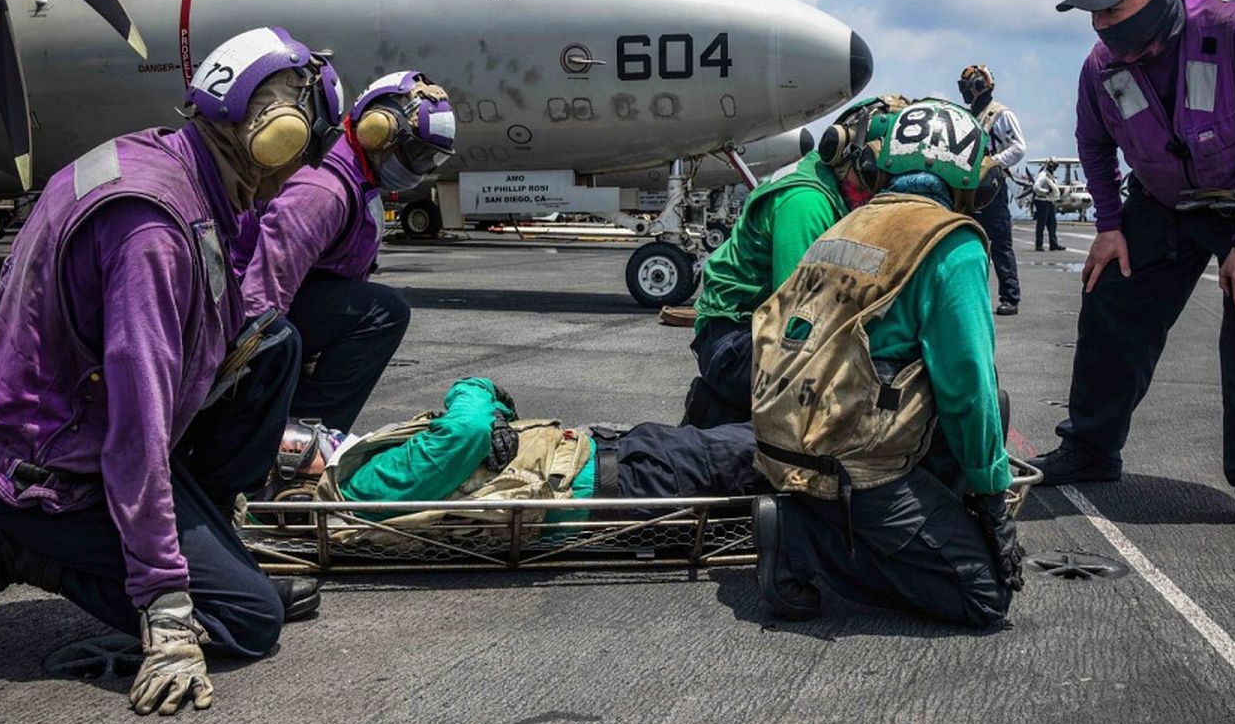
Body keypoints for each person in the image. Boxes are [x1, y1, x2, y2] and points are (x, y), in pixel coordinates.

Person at [0, 27, 342, 716]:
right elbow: (136, 430)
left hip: (69, 422)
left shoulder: (172, 161)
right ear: (277, 139)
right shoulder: (153, 232)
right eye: (304, 154)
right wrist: (167, 605)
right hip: (54, 474)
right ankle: (1, 545)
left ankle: (211, 546)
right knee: (249, 622)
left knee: (275, 345)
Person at [1032, 0, 1235, 543]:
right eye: (1094, 11)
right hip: (1165, 201)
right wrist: (1109, 226)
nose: (1101, 23)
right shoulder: (1100, 67)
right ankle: (1091, 448)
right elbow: (1094, 146)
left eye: (1113, 8)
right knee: (1112, 302)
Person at [746, 98, 1023, 629]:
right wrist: (993, 501)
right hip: (854, 468)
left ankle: (815, 519)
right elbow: (969, 386)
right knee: (984, 597)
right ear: (976, 183)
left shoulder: (841, 225)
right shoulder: (950, 243)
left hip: (788, 445)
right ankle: (805, 540)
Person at [232, 70, 456, 432]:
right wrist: (254, 374)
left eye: (430, 160)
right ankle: (301, 434)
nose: (420, 168)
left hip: (273, 304)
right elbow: (263, 290)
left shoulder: (357, 177)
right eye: (416, 153)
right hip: (240, 315)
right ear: (377, 131)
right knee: (383, 312)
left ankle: (299, 425)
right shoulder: (324, 190)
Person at [251, 378, 767, 530]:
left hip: (612, 462)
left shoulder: (362, 478)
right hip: (623, 474)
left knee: (750, 446)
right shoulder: (363, 485)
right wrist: (478, 390)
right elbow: (466, 426)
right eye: (293, 442)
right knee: (771, 448)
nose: (307, 432)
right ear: (292, 472)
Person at [682, 95, 907, 428]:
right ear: (842, 152)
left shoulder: (829, 183)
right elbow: (800, 324)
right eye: (876, 173)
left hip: (752, 332)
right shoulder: (807, 203)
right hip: (735, 342)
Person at [959, 65, 1026, 315]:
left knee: (1000, 243)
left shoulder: (1000, 115)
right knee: (971, 243)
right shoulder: (968, 116)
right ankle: (974, 296)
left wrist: (992, 162)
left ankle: (1010, 296)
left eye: (966, 86)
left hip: (993, 188)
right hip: (969, 188)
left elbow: (1019, 148)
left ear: (978, 86)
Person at [1032, 160, 1066, 251]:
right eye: (1054, 166)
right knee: (1041, 224)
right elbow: (1035, 187)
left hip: (1050, 201)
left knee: (1052, 224)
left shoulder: (1051, 176)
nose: (1055, 168)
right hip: (1042, 201)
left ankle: (1053, 244)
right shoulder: (1043, 176)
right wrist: (1046, 192)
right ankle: (1039, 245)